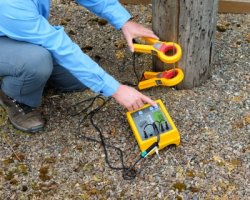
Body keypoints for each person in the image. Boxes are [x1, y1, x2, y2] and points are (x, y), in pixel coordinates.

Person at [0, 0, 158, 133]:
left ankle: (32, 74)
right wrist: (116, 89)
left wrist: (124, 21)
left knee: (76, 80)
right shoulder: (10, 5)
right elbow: (58, 44)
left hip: (26, 29)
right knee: (36, 62)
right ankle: (15, 96)